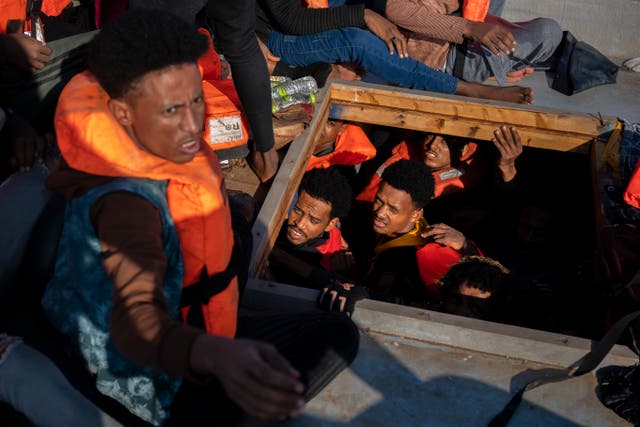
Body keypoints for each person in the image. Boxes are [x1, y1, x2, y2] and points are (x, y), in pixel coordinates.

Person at [40, 10, 359, 426]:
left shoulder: (162, 150)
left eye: (195, 101)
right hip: (154, 379)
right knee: (335, 338)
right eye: (173, 109)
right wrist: (212, 354)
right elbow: (137, 318)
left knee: (324, 321)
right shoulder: (125, 203)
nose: (193, 123)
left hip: (195, 324)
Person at [256, 0, 535, 104]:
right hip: (279, 39)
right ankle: (466, 89)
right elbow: (291, 20)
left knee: (545, 33)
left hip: (332, 14)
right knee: (357, 41)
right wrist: (364, 15)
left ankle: (489, 67)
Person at [351, 159, 481, 303]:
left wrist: (467, 247)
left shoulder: (429, 254)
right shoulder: (371, 225)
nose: (380, 212)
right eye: (379, 200)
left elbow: (477, 291)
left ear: (416, 215)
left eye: (393, 209)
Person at [384, 0, 562, 85]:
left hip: (472, 39)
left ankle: (498, 66)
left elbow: (479, 14)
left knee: (547, 33)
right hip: (449, 58)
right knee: (549, 31)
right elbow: (393, 8)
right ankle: (496, 67)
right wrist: (469, 28)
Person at [357, 125, 523, 202]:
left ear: (464, 150)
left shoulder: (466, 190)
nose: (432, 145)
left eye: (444, 142)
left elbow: (504, 203)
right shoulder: (396, 147)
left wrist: (508, 167)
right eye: (430, 135)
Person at [269, 167, 354, 284]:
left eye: (313, 220)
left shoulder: (312, 263)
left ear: (331, 224)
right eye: (297, 210)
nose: (299, 224)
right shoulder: (332, 232)